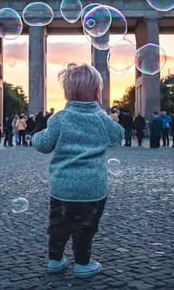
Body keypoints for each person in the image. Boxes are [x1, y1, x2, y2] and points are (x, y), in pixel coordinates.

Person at [32, 63, 124, 277]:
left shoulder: (59, 119)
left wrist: (34, 137)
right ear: (97, 92)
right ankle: (83, 264)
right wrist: (112, 119)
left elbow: (43, 145)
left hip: (62, 187)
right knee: (85, 228)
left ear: (66, 92)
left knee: (58, 225)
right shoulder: (101, 119)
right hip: (92, 188)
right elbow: (118, 136)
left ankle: (55, 260)